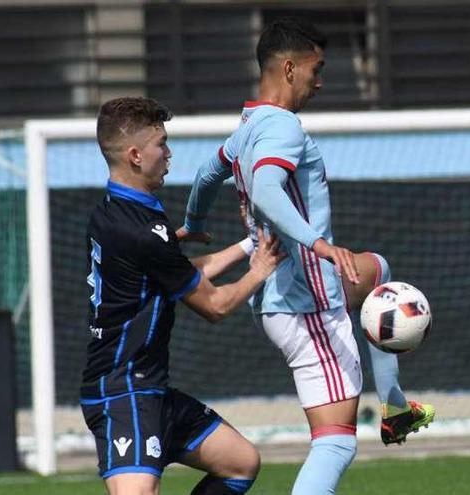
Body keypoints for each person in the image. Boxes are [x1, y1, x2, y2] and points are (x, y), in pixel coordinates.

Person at [178, 17, 433, 493]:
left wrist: (194, 223)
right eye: (317, 69)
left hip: (291, 295)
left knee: (377, 269)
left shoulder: (248, 126)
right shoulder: (284, 129)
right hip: (307, 304)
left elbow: (207, 175)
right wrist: (316, 242)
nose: (321, 81)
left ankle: (396, 406)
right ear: (290, 68)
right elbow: (270, 191)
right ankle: (395, 408)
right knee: (335, 444)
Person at [81, 97, 284, 495]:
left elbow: (173, 272)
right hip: (125, 391)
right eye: (162, 143)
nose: (169, 154)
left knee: (239, 463)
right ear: (137, 155)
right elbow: (215, 306)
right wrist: (259, 271)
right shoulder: (142, 230)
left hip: (150, 387)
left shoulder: (113, 211)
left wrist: (250, 245)